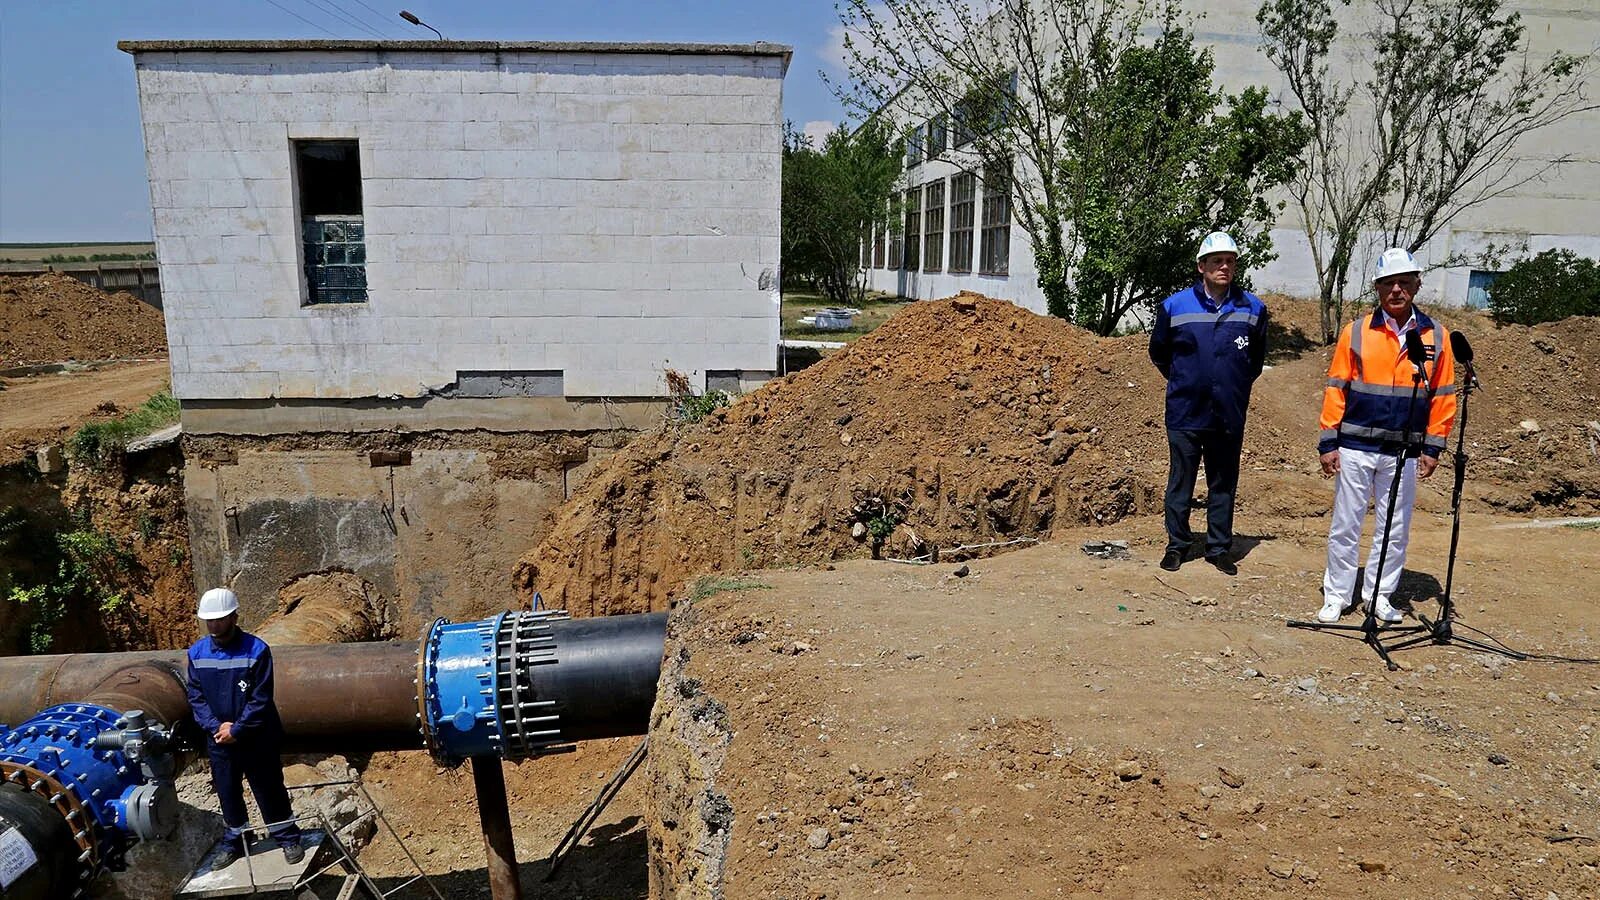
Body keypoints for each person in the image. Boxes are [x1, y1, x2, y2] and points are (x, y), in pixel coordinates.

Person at [1314, 248, 1457, 624]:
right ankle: (1338, 595)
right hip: (1357, 446)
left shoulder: (1435, 336)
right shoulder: (1357, 331)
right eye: (1389, 283)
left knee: (1394, 527)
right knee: (1346, 525)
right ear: (1377, 288)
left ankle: (1379, 594)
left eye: (1404, 282)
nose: (1397, 290)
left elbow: (1443, 395)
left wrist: (1433, 446)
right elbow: (1336, 387)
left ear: (1416, 285)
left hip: (1405, 450)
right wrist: (1329, 441)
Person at [1148, 231, 1270, 575]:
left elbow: (1255, 362)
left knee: (1222, 482)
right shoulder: (1175, 306)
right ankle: (1178, 546)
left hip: (1228, 413)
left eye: (1230, 261)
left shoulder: (1253, 309)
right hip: (1186, 411)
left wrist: (1232, 386)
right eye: (1217, 261)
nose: (1224, 267)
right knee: (1181, 481)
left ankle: (1218, 548)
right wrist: (1187, 381)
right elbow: (1159, 353)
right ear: (1202, 266)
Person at [186, 587, 304, 868]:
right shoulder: (197, 653)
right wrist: (216, 728)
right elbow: (196, 696)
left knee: (268, 788)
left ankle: (286, 837)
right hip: (218, 739)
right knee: (227, 790)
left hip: (256, 737)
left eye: (219, 619)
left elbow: (260, 698)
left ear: (234, 617)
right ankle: (236, 840)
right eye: (209, 620)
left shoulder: (257, 650)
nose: (213, 624)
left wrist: (236, 730)